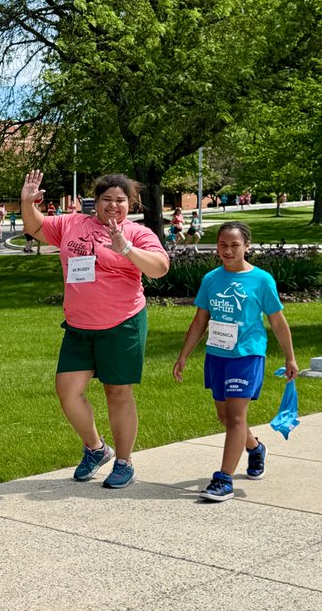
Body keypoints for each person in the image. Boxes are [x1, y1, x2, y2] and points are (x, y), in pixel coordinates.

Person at [22, 169, 169, 489]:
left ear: (130, 204)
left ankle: (124, 462)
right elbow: (35, 228)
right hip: (79, 326)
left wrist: (125, 248)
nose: (113, 205)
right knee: (67, 391)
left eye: (120, 200)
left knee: (117, 392)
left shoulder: (138, 233)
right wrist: (27, 203)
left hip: (122, 323)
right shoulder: (72, 224)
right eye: (107, 199)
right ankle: (96, 448)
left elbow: (160, 267)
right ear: (96, 201)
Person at [172, 221, 299, 501]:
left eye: (234, 245)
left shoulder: (261, 280)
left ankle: (223, 479)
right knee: (225, 417)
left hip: (247, 354)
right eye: (222, 245)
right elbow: (200, 320)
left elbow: (277, 321)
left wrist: (290, 357)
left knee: (236, 417)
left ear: (246, 246)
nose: (228, 251)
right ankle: (255, 448)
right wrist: (183, 355)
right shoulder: (211, 279)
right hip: (218, 354)